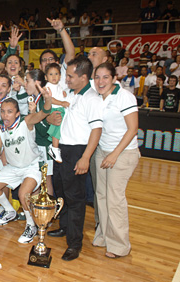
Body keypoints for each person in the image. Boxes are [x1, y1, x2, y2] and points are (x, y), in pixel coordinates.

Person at [47, 56, 103, 261]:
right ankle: (64, 227)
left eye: (70, 76)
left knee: (76, 198)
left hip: (77, 151)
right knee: (61, 192)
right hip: (62, 148)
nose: (66, 79)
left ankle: (74, 243)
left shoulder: (92, 99)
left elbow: (97, 130)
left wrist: (86, 157)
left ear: (84, 77)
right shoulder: (71, 93)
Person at [92, 62, 140, 259]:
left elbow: (133, 128)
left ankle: (120, 245)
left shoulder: (124, 96)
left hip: (123, 153)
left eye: (105, 77)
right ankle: (104, 235)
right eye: (97, 77)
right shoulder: (97, 97)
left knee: (114, 198)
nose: (101, 81)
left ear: (113, 79)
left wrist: (115, 154)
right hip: (102, 151)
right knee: (101, 196)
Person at [0, 94, 51, 243]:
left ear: (17, 113)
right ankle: (10, 211)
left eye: (9, 111)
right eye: (3, 111)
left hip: (32, 166)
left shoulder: (26, 121)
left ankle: (31, 226)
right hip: (13, 167)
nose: (5, 115)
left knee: (24, 194)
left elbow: (43, 113)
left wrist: (47, 101)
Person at [44, 63, 70, 163]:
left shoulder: (58, 86)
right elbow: (50, 99)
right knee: (58, 128)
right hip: (54, 109)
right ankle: (54, 148)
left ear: (60, 76)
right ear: (46, 77)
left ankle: (53, 146)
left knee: (59, 128)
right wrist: (61, 103)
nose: (54, 76)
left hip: (59, 109)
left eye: (56, 74)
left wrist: (63, 93)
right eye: (51, 74)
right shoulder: (48, 87)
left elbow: (58, 94)